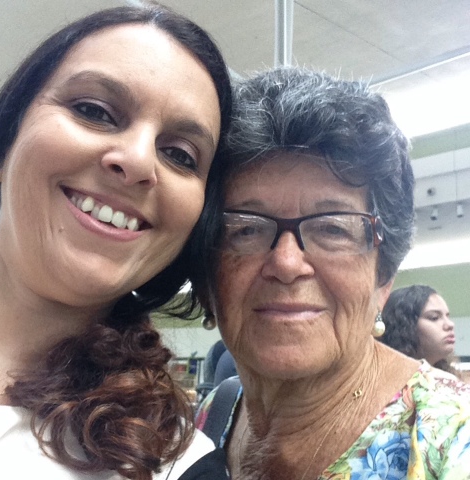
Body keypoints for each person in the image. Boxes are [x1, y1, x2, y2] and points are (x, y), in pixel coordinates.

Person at [0, 3, 232, 480]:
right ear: (1, 146)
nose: (138, 161)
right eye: (94, 111)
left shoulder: (175, 464)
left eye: (180, 155)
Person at [193, 67, 470, 479]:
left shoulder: (450, 439)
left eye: (332, 229)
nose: (287, 264)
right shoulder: (212, 416)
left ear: (383, 276)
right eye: (246, 229)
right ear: (207, 275)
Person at [380, 285, 458, 373]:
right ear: (405, 328)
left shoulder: (447, 377)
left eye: (447, 316)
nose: (450, 324)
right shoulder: (383, 377)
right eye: (434, 317)